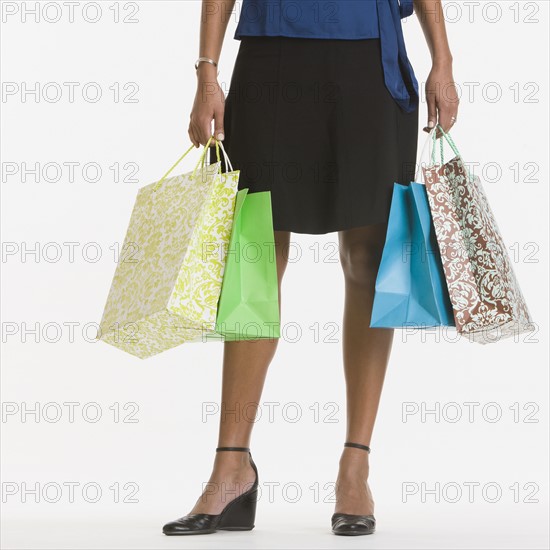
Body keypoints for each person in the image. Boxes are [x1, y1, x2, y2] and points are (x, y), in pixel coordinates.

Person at [163, 0, 459, 536]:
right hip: (272, 57)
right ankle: (231, 465)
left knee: (368, 257)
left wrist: (444, 61)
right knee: (255, 252)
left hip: (369, 62)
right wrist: (207, 73)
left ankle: (355, 466)